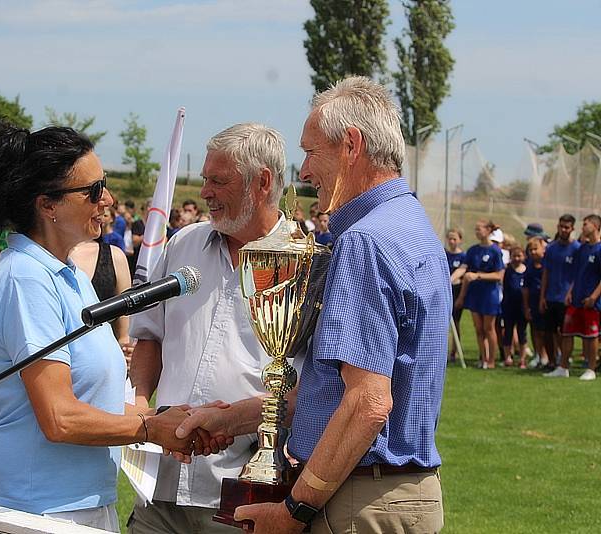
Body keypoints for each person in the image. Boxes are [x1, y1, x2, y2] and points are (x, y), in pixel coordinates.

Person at [177, 77, 449, 533]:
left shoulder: (366, 240)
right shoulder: (408, 224)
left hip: (357, 501)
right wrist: (233, 418)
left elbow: (367, 403)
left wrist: (294, 510)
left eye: (311, 152)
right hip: (387, 495)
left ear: (351, 145)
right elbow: (333, 392)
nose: (303, 171)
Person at [0, 125, 206, 532]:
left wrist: (174, 421)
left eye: (103, 186)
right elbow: (59, 417)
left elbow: (96, 399)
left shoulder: (69, 274)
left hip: (80, 504)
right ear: (48, 205)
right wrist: (150, 428)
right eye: (93, 190)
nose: (106, 199)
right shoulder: (27, 278)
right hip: (39, 510)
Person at [127, 122, 287, 533]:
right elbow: (149, 335)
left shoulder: (303, 263)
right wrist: (143, 406)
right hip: (158, 486)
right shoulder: (183, 244)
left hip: (242, 494)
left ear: (262, 183)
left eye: (218, 180)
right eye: (204, 180)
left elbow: (309, 384)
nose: (204, 193)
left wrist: (230, 422)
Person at [545, 214, 601, 380]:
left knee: (590, 336)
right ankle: (563, 367)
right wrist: (570, 292)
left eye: (586, 224)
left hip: (591, 301)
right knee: (567, 333)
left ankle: (591, 369)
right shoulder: (582, 248)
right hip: (576, 298)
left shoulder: (599, 249)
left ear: (596, 227)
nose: (583, 227)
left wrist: (594, 297)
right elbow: (577, 273)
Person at [69, 228, 134, 368]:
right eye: (92, 203)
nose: (104, 206)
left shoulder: (114, 256)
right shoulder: (43, 259)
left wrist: (126, 353)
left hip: (105, 370)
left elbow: (124, 333)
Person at [455, 219, 504, 369]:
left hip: (489, 294)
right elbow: (464, 267)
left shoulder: (495, 250)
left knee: (489, 328)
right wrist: (452, 277)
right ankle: (483, 358)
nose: (477, 232)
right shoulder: (473, 250)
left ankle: (491, 360)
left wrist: (478, 276)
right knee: (478, 328)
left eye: (480, 229)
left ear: (488, 230)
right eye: (475, 229)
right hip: (475, 293)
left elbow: (499, 275)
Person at [540, 214, 579, 372]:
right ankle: (551, 361)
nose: (563, 230)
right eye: (561, 226)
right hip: (550, 296)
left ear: (572, 229)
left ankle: (564, 361)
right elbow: (546, 273)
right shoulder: (551, 248)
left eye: (567, 227)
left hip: (566, 298)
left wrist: (571, 293)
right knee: (547, 331)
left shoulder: (577, 249)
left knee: (565, 333)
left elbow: (578, 275)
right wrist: (542, 296)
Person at [523, 237, 549, 367]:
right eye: (530, 250)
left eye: (535, 249)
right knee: (535, 329)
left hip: (544, 301)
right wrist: (526, 306)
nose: (533, 252)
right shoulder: (529, 266)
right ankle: (538, 354)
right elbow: (526, 288)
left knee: (545, 331)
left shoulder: (546, 264)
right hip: (532, 301)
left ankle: (547, 354)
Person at [501, 246, 528, 368]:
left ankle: (522, 359)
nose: (517, 259)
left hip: (522, 306)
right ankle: (508, 357)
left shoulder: (527, 270)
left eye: (519, 256)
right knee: (508, 332)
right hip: (508, 305)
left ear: (524, 256)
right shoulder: (507, 270)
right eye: (514, 256)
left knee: (522, 332)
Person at [445, 228, 467, 361]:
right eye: (450, 239)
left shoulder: (463, 256)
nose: (452, 241)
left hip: (456, 289)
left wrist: (451, 279)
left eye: (454, 239)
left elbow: (462, 271)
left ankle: (455, 350)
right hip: (445, 290)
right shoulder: (444, 254)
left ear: (460, 240)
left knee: (456, 321)